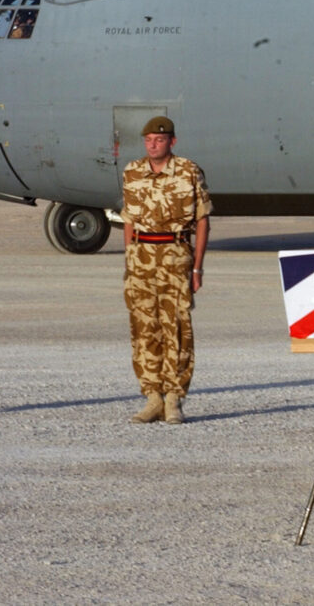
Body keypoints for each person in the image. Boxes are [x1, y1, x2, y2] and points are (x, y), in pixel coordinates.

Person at [121, 116, 213, 425]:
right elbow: (129, 220)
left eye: (159, 140)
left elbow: (202, 220)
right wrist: (129, 259)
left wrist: (197, 268)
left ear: (171, 142)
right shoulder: (132, 172)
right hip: (140, 258)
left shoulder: (188, 171)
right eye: (148, 140)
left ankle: (173, 399)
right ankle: (152, 398)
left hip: (175, 256)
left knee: (176, 328)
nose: (153, 145)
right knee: (144, 327)